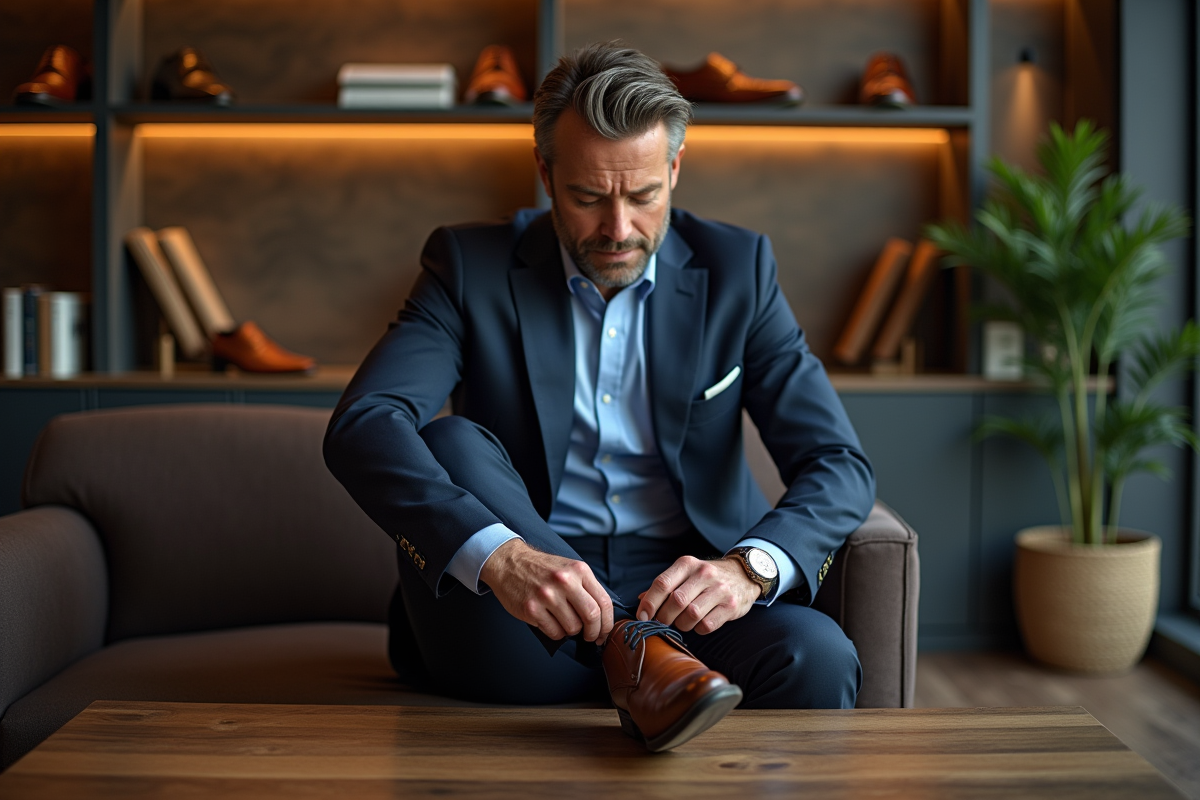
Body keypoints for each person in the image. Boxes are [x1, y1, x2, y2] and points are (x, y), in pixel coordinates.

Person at [324, 42, 875, 752]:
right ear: (546, 174)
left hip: (689, 603)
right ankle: (640, 654)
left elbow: (838, 461)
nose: (618, 228)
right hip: (519, 619)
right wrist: (503, 559)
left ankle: (640, 652)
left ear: (674, 170)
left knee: (819, 658)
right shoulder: (469, 267)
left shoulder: (739, 271)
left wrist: (747, 568)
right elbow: (364, 424)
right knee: (450, 441)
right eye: (588, 197)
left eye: (644, 195)